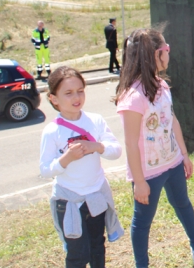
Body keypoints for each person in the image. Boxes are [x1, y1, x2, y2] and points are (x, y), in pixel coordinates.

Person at [115, 27, 194, 268]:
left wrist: (184, 155)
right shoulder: (132, 98)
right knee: (143, 222)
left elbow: (172, 120)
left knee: (183, 205)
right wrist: (139, 181)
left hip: (173, 163)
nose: (169, 53)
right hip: (149, 174)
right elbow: (130, 143)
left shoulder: (162, 86)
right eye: (166, 49)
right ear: (156, 55)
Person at [39, 67, 124, 268]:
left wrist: (97, 146)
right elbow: (45, 169)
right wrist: (66, 159)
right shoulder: (52, 131)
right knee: (77, 254)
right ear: (54, 99)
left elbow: (116, 150)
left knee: (97, 248)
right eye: (68, 93)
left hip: (95, 197)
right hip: (68, 201)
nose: (76, 97)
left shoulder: (95, 120)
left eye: (80, 91)